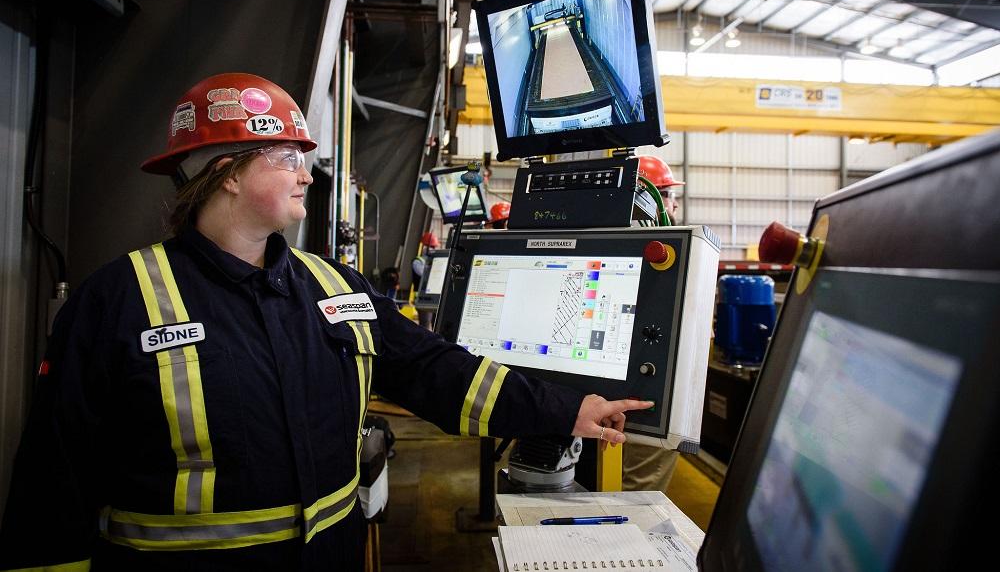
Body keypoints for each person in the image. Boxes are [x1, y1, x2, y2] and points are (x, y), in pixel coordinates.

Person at [0, 73, 652, 571]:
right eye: (286, 156)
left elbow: (435, 370)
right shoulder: (117, 301)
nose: (305, 173)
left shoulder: (333, 288)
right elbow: (53, 479)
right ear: (224, 173)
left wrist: (562, 409)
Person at [623, 155, 686, 495]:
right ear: (650, 196)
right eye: (669, 193)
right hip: (651, 387)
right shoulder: (675, 246)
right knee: (642, 481)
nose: (674, 202)